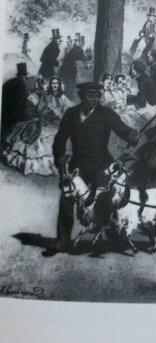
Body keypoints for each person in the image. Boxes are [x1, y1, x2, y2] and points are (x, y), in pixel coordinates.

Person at [43, 81, 138, 255]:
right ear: (82, 97)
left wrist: (131, 135)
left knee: (108, 197)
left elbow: (123, 129)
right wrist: (60, 158)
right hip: (77, 167)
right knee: (66, 198)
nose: (95, 99)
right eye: (91, 96)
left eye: (97, 96)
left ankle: (113, 235)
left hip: (101, 166)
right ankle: (63, 241)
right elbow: (60, 139)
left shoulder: (106, 114)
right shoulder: (71, 114)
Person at [2, 76, 71, 176]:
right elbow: (33, 110)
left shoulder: (53, 98)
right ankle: (29, 164)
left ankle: (56, 161)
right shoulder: (38, 96)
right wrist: (37, 118)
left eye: (56, 83)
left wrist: (56, 119)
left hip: (49, 123)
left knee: (54, 134)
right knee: (34, 134)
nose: (54, 85)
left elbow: (54, 112)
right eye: (52, 83)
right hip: (36, 121)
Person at [1, 62, 30, 143]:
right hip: (14, 116)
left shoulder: (9, 83)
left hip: (4, 111)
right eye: (25, 77)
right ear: (24, 76)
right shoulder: (21, 86)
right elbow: (21, 103)